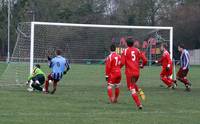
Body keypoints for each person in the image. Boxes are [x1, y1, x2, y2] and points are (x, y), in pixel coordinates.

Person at [121, 38, 147, 110]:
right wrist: (142, 65)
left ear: (126, 44)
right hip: (137, 72)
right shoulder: (137, 50)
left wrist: (117, 68)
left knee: (131, 88)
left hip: (130, 73)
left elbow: (122, 63)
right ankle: (140, 92)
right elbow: (145, 60)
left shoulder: (125, 51)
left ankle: (139, 104)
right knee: (132, 84)